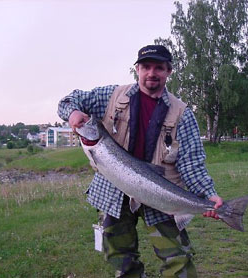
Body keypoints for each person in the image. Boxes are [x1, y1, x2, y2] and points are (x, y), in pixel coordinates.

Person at [57, 44, 223, 278]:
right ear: (137, 69)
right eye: (146, 66)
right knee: (120, 259)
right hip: (112, 192)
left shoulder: (182, 114)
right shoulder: (111, 96)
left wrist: (209, 195)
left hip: (161, 194)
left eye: (159, 68)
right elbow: (68, 101)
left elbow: (192, 163)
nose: (151, 73)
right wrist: (73, 113)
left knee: (178, 261)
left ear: (169, 72)